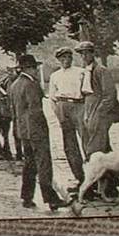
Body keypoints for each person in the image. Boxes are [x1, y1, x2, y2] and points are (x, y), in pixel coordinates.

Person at [10, 54, 69, 211]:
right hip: (36, 131)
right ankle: (51, 199)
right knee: (44, 164)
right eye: (34, 68)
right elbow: (35, 110)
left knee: (29, 164)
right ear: (28, 68)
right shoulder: (32, 85)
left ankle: (26, 197)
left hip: (24, 131)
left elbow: (14, 111)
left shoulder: (15, 85)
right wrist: (43, 128)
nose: (36, 70)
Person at [78, 40, 119, 199]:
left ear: (92, 53)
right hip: (88, 111)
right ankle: (111, 185)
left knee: (95, 151)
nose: (84, 56)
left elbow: (109, 95)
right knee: (104, 150)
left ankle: (99, 186)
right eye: (81, 54)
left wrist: (99, 113)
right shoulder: (85, 71)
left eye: (86, 53)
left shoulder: (101, 70)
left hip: (99, 114)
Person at [48, 46, 87, 189]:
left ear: (72, 58)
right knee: (70, 145)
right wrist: (58, 113)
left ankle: (94, 176)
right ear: (58, 60)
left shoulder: (81, 72)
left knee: (86, 142)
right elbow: (52, 97)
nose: (65, 60)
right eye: (62, 58)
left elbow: (87, 92)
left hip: (79, 105)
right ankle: (80, 177)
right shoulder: (55, 76)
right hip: (63, 107)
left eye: (68, 57)